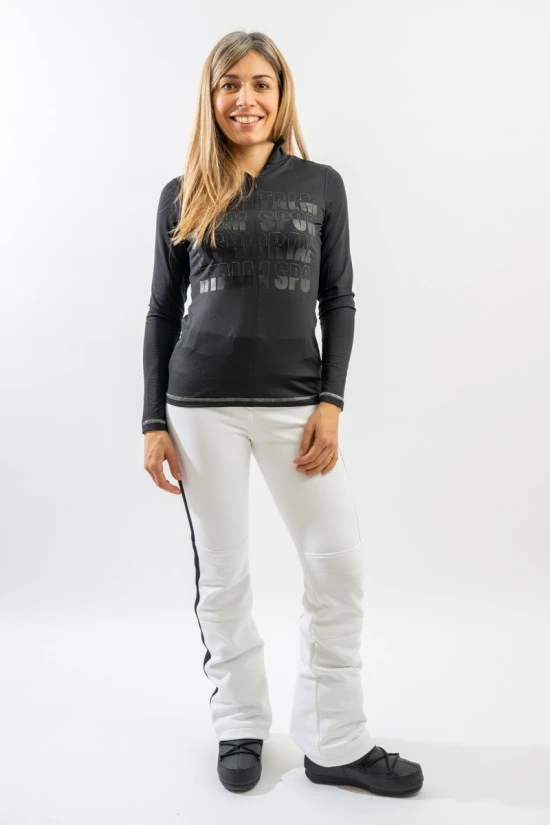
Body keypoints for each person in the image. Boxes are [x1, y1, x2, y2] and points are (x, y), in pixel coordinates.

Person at [142, 30, 424, 797]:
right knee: (223, 572)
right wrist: (152, 420)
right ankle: (239, 722)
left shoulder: (321, 185)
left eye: (260, 83)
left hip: (298, 406)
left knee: (337, 564)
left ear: (281, 93)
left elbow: (339, 298)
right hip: (199, 406)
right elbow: (162, 311)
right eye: (230, 84)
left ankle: (335, 740)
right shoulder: (181, 192)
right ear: (212, 98)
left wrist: (331, 402)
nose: (246, 98)